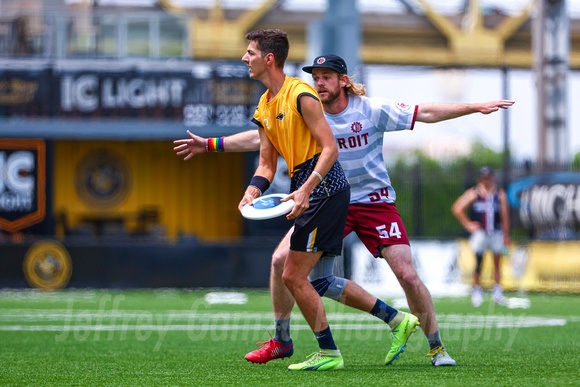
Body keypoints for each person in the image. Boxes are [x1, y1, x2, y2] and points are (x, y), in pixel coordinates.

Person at [174, 54, 514, 367]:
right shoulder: (307, 111)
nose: (319, 83)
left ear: (343, 81)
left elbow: (423, 112)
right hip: (331, 199)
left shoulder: (371, 109)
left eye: (326, 77)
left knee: (407, 275)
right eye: (316, 77)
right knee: (285, 264)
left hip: (374, 202)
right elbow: (261, 138)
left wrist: (474, 106)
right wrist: (210, 144)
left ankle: (436, 346)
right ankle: (282, 337)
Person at [229, 29, 420, 372]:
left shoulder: (301, 93)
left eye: (250, 52)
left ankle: (323, 351)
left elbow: (330, 149)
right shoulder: (264, 105)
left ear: (268, 59)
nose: (245, 58)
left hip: (325, 189)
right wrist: (254, 190)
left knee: (291, 275)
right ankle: (396, 320)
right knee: (318, 281)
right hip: (309, 189)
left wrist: (305, 189)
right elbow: (266, 164)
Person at [452, 166, 511, 307]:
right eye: (484, 177)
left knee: (498, 262)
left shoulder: (499, 193)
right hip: (480, 233)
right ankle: (477, 292)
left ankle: (498, 292)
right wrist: (467, 224)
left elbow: (504, 215)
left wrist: (506, 235)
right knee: (479, 262)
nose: (487, 180)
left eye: (488, 177)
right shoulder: (474, 193)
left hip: (496, 232)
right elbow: (457, 208)